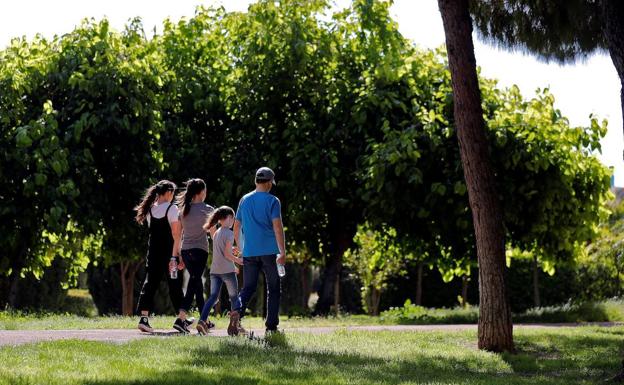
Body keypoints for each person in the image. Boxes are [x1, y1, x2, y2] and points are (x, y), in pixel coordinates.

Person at [234, 167, 286, 333]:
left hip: (250, 252)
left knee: (248, 287)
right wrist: (282, 252)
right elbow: (277, 227)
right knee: (273, 287)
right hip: (269, 251)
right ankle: (271, 327)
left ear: (256, 181)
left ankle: (237, 312)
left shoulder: (244, 200)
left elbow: (236, 227)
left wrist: (242, 248)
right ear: (269, 182)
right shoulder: (273, 201)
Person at [134, 180, 186, 333]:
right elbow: (177, 235)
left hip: (153, 254)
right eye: (173, 193)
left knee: (150, 284)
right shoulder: (172, 209)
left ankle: (144, 318)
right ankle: (181, 318)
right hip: (170, 255)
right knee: (175, 285)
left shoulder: (150, 209)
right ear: (169, 192)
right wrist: (176, 256)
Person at [172, 178, 214, 333]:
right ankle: (181, 318)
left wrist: (177, 256)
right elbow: (213, 233)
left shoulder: (183, 210)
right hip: (200, 251)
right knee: (194, 283)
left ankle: (205, 321)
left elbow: (178, 235)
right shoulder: (208, 209)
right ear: (201, 192)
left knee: (197, 284)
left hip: (186, 251)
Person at [196, 206, 245, 336]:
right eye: (233, 218)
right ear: (229, 218)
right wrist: (238, 261)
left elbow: (222, 249)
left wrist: (231, 249)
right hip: (228, 271)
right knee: (234, 297)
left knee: (212, 297)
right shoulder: (229, 233)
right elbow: (227, 254)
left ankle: (202, 321)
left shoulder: (216, 233)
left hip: (215, 271)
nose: (233, 221)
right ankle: (236, 325)